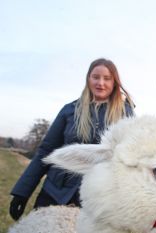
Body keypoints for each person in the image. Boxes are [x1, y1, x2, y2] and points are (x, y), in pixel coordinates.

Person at [9, 58, 135, 221]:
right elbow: (46, 151)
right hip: (56, 192)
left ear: (114, 82)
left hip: (98, 199)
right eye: (95, 77)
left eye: (107, 78)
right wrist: (22, 192)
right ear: (88, 79)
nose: (100, 83)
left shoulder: (126, 113)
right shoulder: (69, 110)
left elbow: (131, 157)